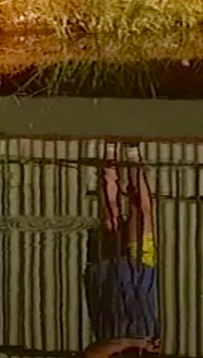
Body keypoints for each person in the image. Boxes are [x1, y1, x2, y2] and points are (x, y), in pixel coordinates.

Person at [82, 142, 161, 357]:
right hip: (143, 275)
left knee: (111, 217)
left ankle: (110, 155)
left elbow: (91, 353)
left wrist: (126, 342)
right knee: (142, 213)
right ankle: (133, 157)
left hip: (107, 279)